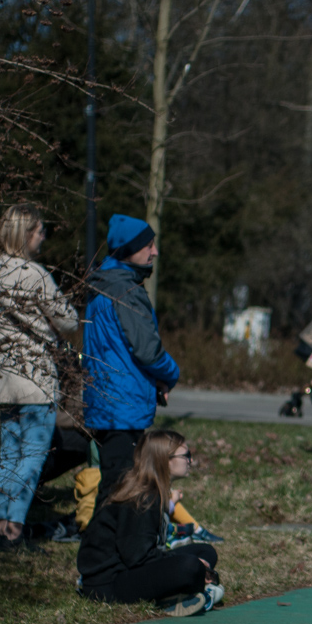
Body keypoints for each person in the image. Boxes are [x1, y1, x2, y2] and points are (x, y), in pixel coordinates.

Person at [0, 204, 79, 550]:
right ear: (25, 234)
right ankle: (15, 530)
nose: (44, 237)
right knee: (33, 453)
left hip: (4, 374)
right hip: (35, 374)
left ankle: (1, 527)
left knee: (8, 451)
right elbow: (68, 321)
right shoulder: (34, 274)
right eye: (40, 231)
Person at [83, 214, 180, 503]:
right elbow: (147, 351)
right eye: (148, 245)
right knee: (118, 490)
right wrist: (171, 374)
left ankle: (110, 546)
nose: (155, 251)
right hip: (121, 408)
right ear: (127, 250)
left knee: (116, 484)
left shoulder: (103, 284)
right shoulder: (125, 290)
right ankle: (101, 547)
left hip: (106, 402)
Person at [77, 430, 224, 617]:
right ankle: (195, 592)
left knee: (206, 551)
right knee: (190, 566)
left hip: (132, 566)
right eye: (186, 455)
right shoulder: (143, 498)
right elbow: (137, 557)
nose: (191, 461)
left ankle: (183, 592)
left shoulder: (154, 491)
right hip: (108, 584)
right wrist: (195, 567)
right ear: (165, 459)